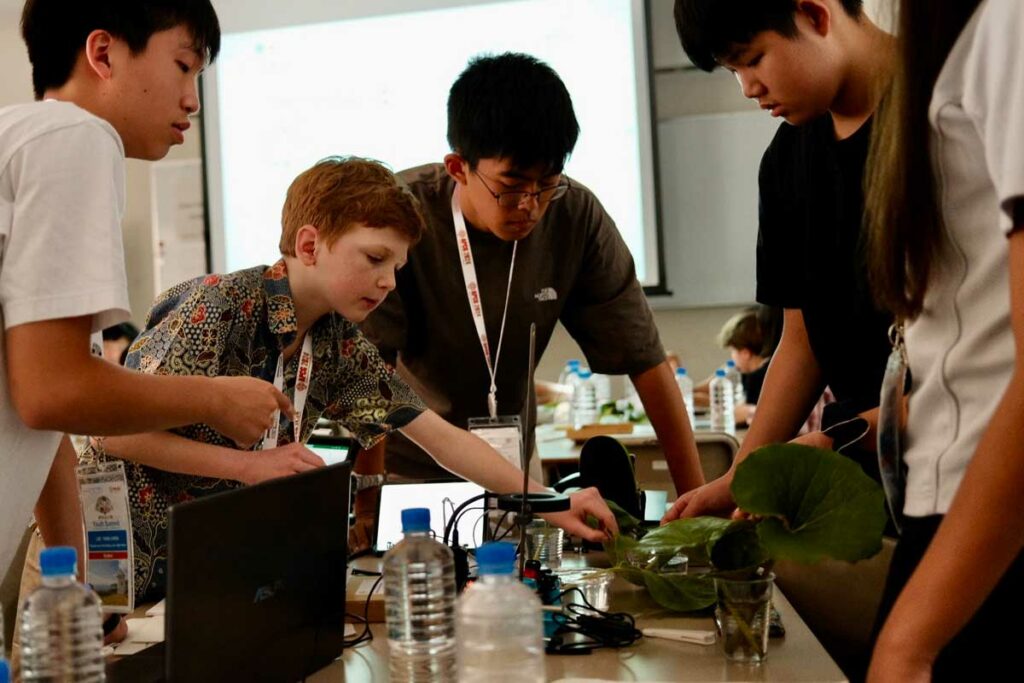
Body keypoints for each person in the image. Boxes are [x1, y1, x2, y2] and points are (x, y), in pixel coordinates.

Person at [83, 157, 617, 603]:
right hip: (105, 566)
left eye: (398, 267)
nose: (387, 281)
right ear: (310, 246)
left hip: (197, 577)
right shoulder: (218, 308)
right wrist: (248, 466)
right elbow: (110, 431)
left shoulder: (336, 344)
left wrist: (549, 500)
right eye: (375, 258)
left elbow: (442, 439)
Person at [0, 0, 290, 590]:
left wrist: (73, 581)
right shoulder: (73, 136)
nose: (193, 100)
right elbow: (52, 391)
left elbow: (43, 415)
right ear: (103, 53)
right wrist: (214, 400)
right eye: (184, 66)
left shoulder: (22, 136)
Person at [360, 53, 705, 494]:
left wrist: (694, 497)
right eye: (511, 186)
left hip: (515, 472)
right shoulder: (401, 217)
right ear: (458, 167)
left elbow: (646, 361)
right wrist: (369, 500)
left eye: (546, 183)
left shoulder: (575, 215)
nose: (531, 205)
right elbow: (371, 377)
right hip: (405, 470)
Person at [665, 0, 896, 521]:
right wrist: (743, 475)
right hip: (863, 467)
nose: (748, 87)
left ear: (814, 15)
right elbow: (802, 338)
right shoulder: (789, 160)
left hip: (969, 459)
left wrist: (836, 439)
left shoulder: (944, 115)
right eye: (733, 71)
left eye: (753, 59)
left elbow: (984, 371)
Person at [864, 1, 1024, 679]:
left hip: (991, 499)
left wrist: (909, 641)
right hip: (955, 494)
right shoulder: (956, 37)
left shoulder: (1007, 25)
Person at [693, 305, 781, 424]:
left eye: (733, 351)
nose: (732, 357)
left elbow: (743, 415)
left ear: (745, 353)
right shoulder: (771, 368)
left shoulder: (757, 378)